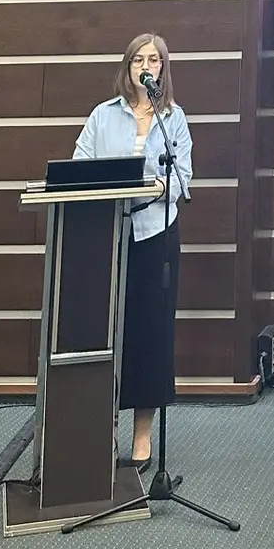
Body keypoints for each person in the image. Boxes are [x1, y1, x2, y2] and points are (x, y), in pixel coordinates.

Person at [73, 33, 193, 467]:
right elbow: (79, 167)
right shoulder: (103, 115)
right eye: (138, 59)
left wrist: (157, 186)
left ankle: (142, 434)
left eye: (154, 60)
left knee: (149, 335)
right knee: (104, 331)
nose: (146, 66)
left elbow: (182, 179)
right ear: (128, 67)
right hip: (107, 236)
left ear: (163, 69)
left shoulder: (173, 118)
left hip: (155, 235)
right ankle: (101, 428)